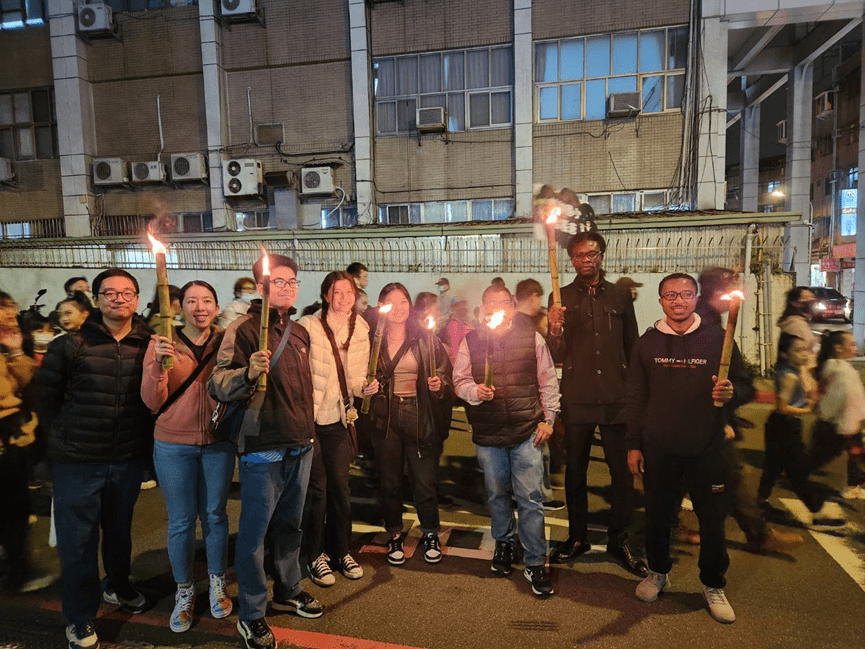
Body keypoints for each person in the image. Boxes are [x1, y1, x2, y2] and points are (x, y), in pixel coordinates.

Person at [208, 254, 324, 649]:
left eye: (293, 281)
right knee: (254, 534)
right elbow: (218, 384)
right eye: (279, 281)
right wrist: (247, 373)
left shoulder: (298, 330)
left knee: (291, 525)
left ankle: (289, 590)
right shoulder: (241, 331)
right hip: (263, 447)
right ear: (261, 287)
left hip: (300, 442)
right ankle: (252, 613)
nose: (288, 287)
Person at [38, 269, 154, 649]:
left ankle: (118, 587)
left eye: (126, 293)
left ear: (137, 299)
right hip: (78, 461)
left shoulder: (150, 344)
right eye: (110, 293)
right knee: (79, 547)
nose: (118, 299)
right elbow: (45, 400)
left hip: (126, 458)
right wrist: (58, 449)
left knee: (119, 535)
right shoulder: (69, 345)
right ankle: (80, 618)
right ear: (98, 300)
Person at [625, 273, 748, 624]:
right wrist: (633, 444)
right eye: (670, 295)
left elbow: (744, 385)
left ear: (696, 298)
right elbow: (634, 397)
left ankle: (712, 583)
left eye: (685, 294)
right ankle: (658, 572)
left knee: (712, 521)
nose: (678, 301)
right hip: (659, 447)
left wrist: (731, 394)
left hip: (706, 447)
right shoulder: (646, 344)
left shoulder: (718, 340)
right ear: (660, 301)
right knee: (659, 517)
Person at [546, 231, 646, 576]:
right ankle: (577, 538)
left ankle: (620, 541)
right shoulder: (561, 296)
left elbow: (632, 344)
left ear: (601, 255)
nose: (585, 260)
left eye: (591, 254)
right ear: (570, 259)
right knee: (576, 472)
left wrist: (637, 393)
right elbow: (555, 354)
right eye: (577, 255)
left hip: (616, 396)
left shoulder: (619, 294)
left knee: (622, 474)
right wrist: (554, 329)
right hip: (578, 395)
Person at [454, 283, 560, 598]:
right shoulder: (470, 340)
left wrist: (549, 418)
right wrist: (475, 392)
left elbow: (547, 379)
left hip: (526, 430)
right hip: (488, 434)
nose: (496, 307)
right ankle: (503, 543)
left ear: (512, 306)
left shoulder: (531, 337)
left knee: (530, 498)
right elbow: (459, 381)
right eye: (490, 302)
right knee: (497, 492)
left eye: (502, 302)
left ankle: (535, 560)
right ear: (482, 308)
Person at [140, 281, 234, 633]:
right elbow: (151, 401)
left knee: (215, 516)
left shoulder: (227, 340)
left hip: (217, 441)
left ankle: (216, 581)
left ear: (216, 305)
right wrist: (157, 367)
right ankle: (184, 590)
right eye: (192, 301)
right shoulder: (162, 342)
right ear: (179, 307)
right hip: (172, 443)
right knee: (181, 520)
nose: (200, 307)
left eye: (207, 300)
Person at [694, 268, 802, 552]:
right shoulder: (705, 331)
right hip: (706, 425)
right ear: (719, 294)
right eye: (732, 290)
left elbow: (738, 383)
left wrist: (732, 399)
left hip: (712, 421)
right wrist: (722, 415)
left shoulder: (714, 325)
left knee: (725, 475)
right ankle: (757, 533)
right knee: (728, 474)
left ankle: (756, 532)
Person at [364, 283, 453, 567]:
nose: (399, 308)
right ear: (382, 307)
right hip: (385, 416)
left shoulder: (425, 337)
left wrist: (439, 384)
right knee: (389, 480)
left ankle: (429, 533)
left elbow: (444, 372)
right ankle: (395, 533)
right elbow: (360, 374)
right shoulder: (371, 339)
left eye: (404, 301)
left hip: (417, 413)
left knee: (423, 479)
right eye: (392, 302)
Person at [298, 272, 370, 588]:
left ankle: (341, 551)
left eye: (349, 292)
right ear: (326, 295)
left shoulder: (362, 329)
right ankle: (315, 555)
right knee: (317, 491)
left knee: (341, 487)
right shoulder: (308, 327)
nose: (343, 297)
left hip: (340, 420)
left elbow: (355, 378)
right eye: (336, 292)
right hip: (310, 420)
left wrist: (367, 388)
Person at [757, 333, 844, 527]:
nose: (804, 354)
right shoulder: (789, 376)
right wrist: (808, 410)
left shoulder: (789, 369)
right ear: (786, 354)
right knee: (797, 471)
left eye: (806, 350)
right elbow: (783, 407)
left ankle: (761, 503)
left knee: (773, 465)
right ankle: (817, 510)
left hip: (779, 424)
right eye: (798, 350)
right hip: (785, 424)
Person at [0, 291, 42, 593]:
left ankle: (18, 567)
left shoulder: (12, 347)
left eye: (10, 308)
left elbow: (29, 387)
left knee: (15, 504)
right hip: (5, 433)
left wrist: (16, 353)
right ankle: (17, 571)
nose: (8, 314)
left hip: (15, 433)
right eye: (2, 309)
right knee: (11, 506)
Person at [515, 279, 564, 511]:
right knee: (533, 450)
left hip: (528, 397)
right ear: (533, 295)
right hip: (526, 398)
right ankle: (536, 497)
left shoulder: (527, 323)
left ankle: (540, 494)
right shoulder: (521, 325)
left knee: (536, 449)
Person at [811, 331, 865, 498]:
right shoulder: (837, 368)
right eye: (852, 344)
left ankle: (856, 485)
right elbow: (836, 398)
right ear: (839, 348)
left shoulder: (842, 367)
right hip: (845, 423)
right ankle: (853, 486)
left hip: (850, 422)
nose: (855, 347)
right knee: (851, 454)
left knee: (855, 454)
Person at [438, 296, 472, 362]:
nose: (464, 307)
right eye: (461, 305)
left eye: (464, 304)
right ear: (454, 308)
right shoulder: (454, 325)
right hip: (462, 365)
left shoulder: (464, 323)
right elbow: (454, 351)